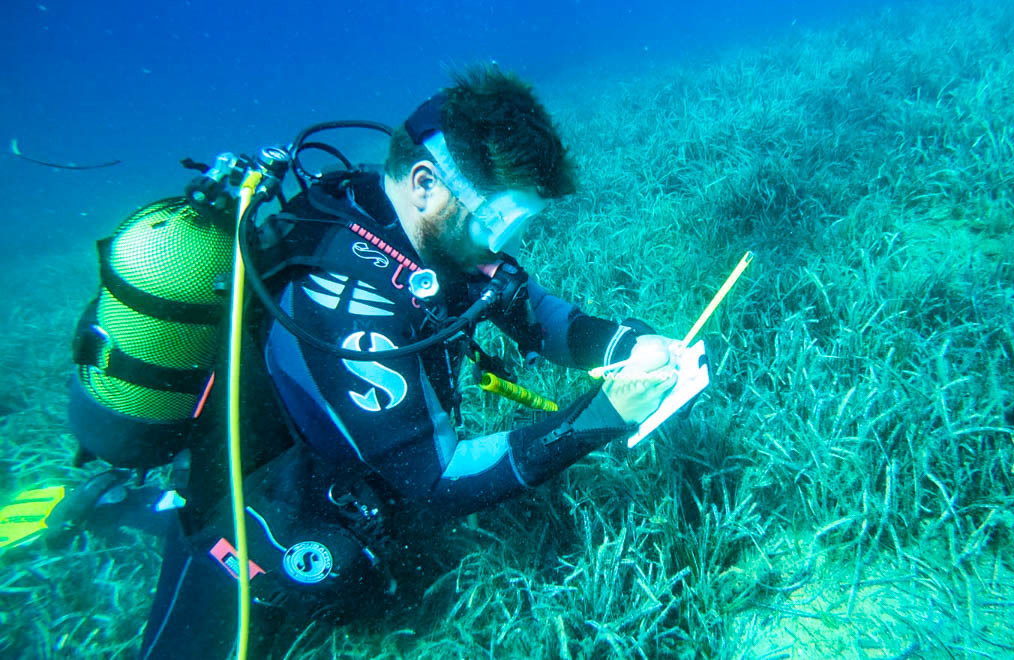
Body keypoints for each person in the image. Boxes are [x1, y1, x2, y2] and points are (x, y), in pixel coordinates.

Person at [61, 66, 681, 658]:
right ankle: (137, 508)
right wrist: (603, 415)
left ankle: (133, 505)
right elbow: (437, 481)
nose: (503, 244)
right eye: (497, 220)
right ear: (424, 184)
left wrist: (626, 346)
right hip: (258, 487)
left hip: (351, 453)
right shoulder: (347, 305)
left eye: (515, 223)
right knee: (334, 588)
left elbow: (533, 312)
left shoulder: (413, 224)